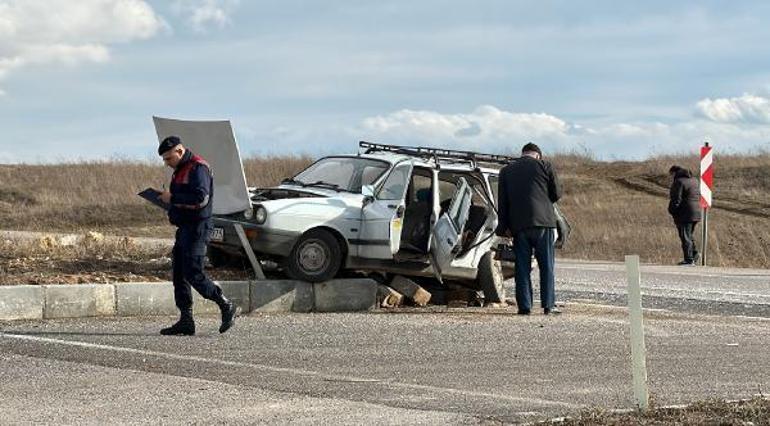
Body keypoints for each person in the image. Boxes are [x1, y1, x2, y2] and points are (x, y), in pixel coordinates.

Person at [157, 136, 236, 335]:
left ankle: (225, 304)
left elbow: (201, 199)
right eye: (164, 160)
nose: (167, 163)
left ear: (180, 151)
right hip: (184, 228)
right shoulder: (180, 170)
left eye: (168, 158)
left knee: (193, 272)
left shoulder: (198, 167)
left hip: (198, 229)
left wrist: (172, 198)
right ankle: (186, 320)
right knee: (179, 274)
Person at [495, 142, 562, 315]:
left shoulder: (506, 171)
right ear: (538, 155)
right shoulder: (545, 166)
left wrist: (503, 229)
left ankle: (524, 306)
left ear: (523, 153)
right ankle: (548, 305)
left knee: (522, 267)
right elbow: (556, 194)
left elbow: (502, 203)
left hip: (519, 226)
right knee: (546, 266)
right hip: (543, 223)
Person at [668, 165, 702, 265]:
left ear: (674, 172)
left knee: (685, 237)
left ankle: (689, 259)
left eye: (671, 174)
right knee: (689, 235)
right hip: (696, 212)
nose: (671, 177)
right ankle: (694, 254)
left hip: (684, 213)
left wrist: (672, 210)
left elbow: (676, 200)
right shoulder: (694, 181)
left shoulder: (678, 182)